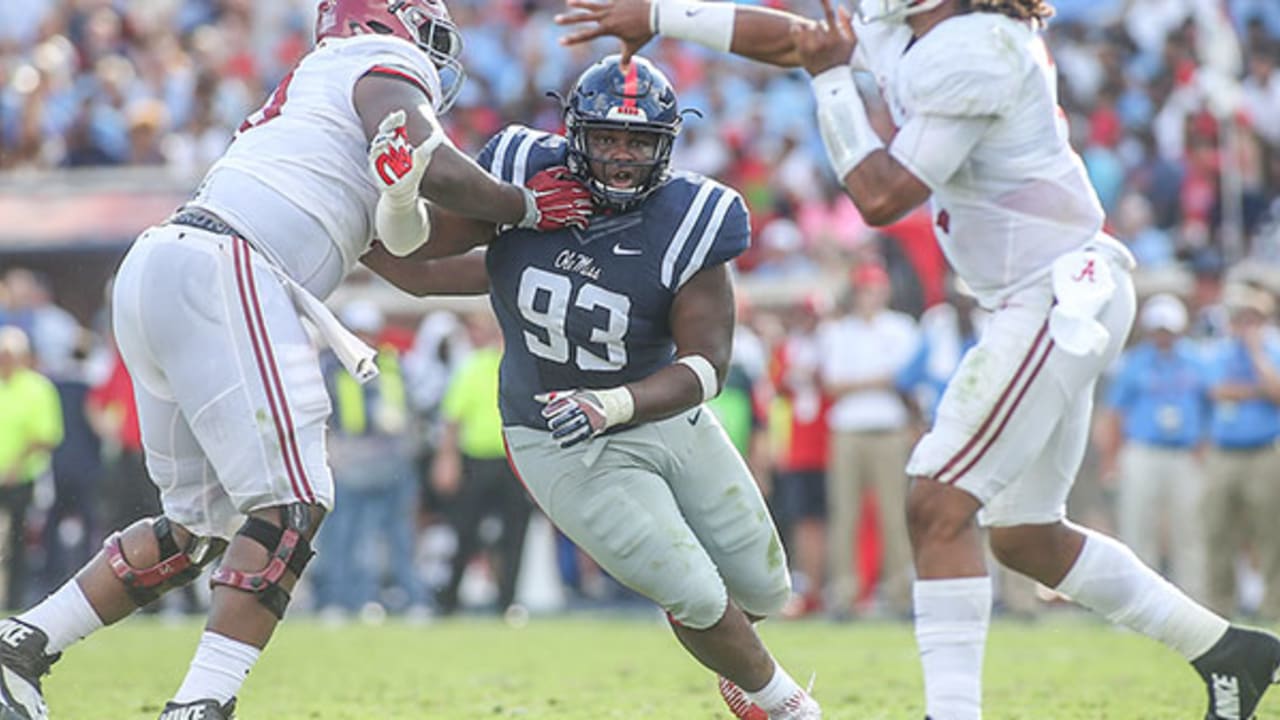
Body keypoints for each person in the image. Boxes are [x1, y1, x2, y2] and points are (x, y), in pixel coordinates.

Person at [556, 0, 1280, 718]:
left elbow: (880, 194)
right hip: (1036, 294)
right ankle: (1230, 655)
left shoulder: (978, 48)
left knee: (936, 501)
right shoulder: (919, 29)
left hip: (1052, 293)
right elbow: (801, 39)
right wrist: (660, 16)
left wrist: (833, 83)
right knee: (1026, 536)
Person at [0, 1, 592, 718]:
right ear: (387, 22)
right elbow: (424, 149)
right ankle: (201, 706)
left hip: (167, 267)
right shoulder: (373, 68)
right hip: (230, 265)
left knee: (196, 530)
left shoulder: (316, 117)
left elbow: (413, 264)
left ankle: (22, 643)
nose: (434, 56)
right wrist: (525, 204)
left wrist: (549, 259)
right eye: (427, 35)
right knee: (293, 504)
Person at [365, 54, 821, 720]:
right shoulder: (524, 175)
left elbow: (705, 368)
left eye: (637, 141)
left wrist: (611, 403)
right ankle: (783, 705)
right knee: (694, 590)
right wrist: (386, 206)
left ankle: (731, 659)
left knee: (764, 588)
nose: (619, 155)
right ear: (575, 132)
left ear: (665, 146)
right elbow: (421, 264)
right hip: (557, 435)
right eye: (606, 136)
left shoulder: (694, 217)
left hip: (658, 415)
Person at [818, 262, 919, 619]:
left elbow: (903, 378)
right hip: (849, 428)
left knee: (894, 513)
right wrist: (877, 380)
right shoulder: (838, 331)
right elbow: (832, 383)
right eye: (865, 290)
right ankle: (844, 595)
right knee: (845, 512)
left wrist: (859, 383)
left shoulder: (901, 328)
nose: (870, 297)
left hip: (887, 428)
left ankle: (900, 594)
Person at [1096, 293, 1209, 600]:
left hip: (1184, 454)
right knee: (1137, 528)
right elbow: (1116, 413)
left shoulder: (1196, 360)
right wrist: (1111, 458)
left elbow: (1209, 406)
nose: (1163, 337)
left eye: (1167, 331)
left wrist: (1205, 447)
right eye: (1158, 330)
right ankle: (1137, 601)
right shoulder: (1134, 362)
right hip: (1142, 451)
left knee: (1189, 530)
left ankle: (1194, 602)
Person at [432, 310, 533, 618]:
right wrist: (446, 460)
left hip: (512, 460)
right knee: (465, 531)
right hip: (477, 459)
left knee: (515, 533)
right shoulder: (474, 366)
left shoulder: (518, 367)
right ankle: (450, 599)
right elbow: (452, 420)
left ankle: (507, 600)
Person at [1201, 284, 1280, 620]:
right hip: (1224, 452)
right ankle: (1220, 608)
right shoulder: (1217, 353)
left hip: (1265, 451)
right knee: (1218, 530)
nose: (1246, 326)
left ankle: (1273, 606)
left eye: (1253, 319)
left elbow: (1275, 392)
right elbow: (1217, 392)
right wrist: (1256, 391)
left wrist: (1257, 354)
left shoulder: (1273, 350)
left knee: (1270, 532)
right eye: (1241, 319)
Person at [0, 326, 64, 611]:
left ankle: (14, 601)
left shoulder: (38, 388)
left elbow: (46, 436)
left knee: (18, 543)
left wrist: (16, 465)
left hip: (22, 478)